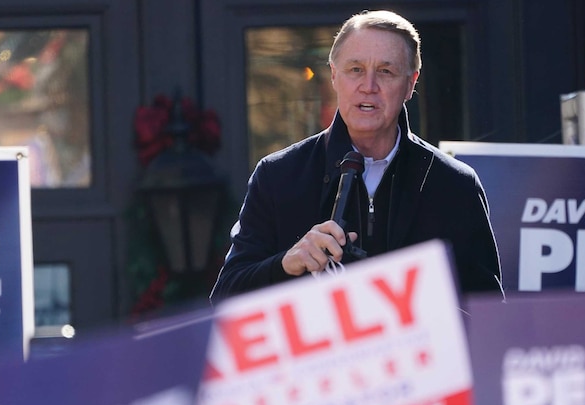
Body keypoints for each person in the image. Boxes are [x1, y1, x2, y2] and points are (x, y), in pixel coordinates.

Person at [210, 10, 502, 302]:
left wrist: (419, 302)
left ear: (411, 84)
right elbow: (224, 298)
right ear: (334, 76)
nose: (369, 86)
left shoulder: (454, 184)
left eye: (386, 71)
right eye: (355, 69)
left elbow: (489, 314)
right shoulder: (277, 175)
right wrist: (287, 263)